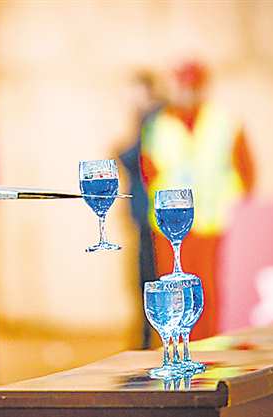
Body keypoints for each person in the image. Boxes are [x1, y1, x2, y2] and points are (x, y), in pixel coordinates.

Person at [140, 61, 255, 340]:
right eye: (183, 85)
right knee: (173, 292)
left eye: (194, 85)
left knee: (210, 292)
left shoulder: (225, 122)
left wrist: (233, 206)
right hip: (170, 225)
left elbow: (246, 171)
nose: (188, 92)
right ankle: (176, 346)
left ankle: (209, 346)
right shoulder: (158, 124)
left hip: (214, 224)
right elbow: (148, 170)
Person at [118, 70, 165, 349]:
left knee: (150, 277)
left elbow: (141, 158)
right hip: (144, 211)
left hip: (151, 213)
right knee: (143, 278)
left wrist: (121, 153)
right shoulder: (147, 119)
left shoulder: (154, 119)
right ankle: (147, 336)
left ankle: (150, 338)